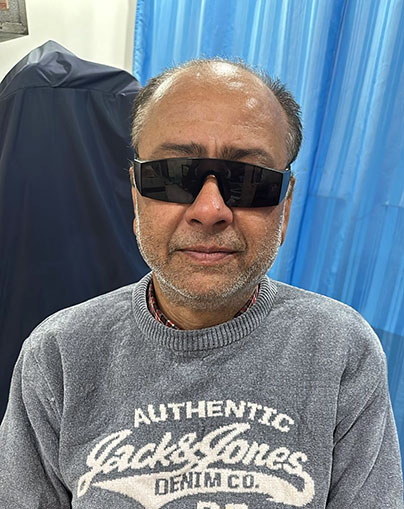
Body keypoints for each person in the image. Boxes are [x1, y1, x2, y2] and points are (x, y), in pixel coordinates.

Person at [0, 58, 402, 508]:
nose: (210, 210)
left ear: (285, 205)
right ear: (136, 193)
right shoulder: (58, 355)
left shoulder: (342, 350)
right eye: (173, 175)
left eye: (248, 180)